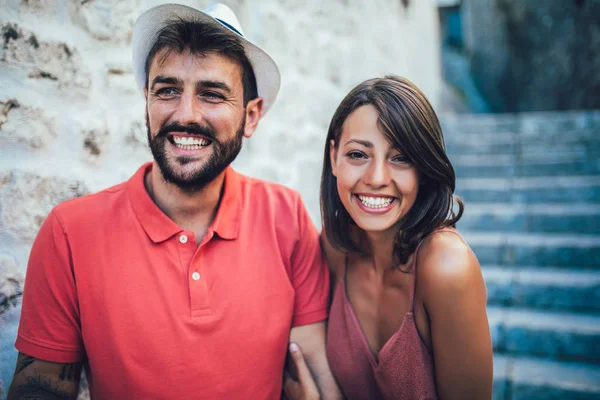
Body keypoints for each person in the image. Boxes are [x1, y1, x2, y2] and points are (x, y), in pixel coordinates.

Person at [8, 4, 341, 399]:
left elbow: (316, 372)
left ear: (251, 117)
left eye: (212, 94)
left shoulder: (286, 218)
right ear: (146, 101)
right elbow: (40, 391)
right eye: (167, 90)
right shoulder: (69, 232)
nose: (186, 115)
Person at [285, 76, 493, 400]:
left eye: (400, 158)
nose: (377, 178)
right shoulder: (335, 248)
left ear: (423, 169)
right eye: (358, 155)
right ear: (333, 158)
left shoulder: (446, 268)